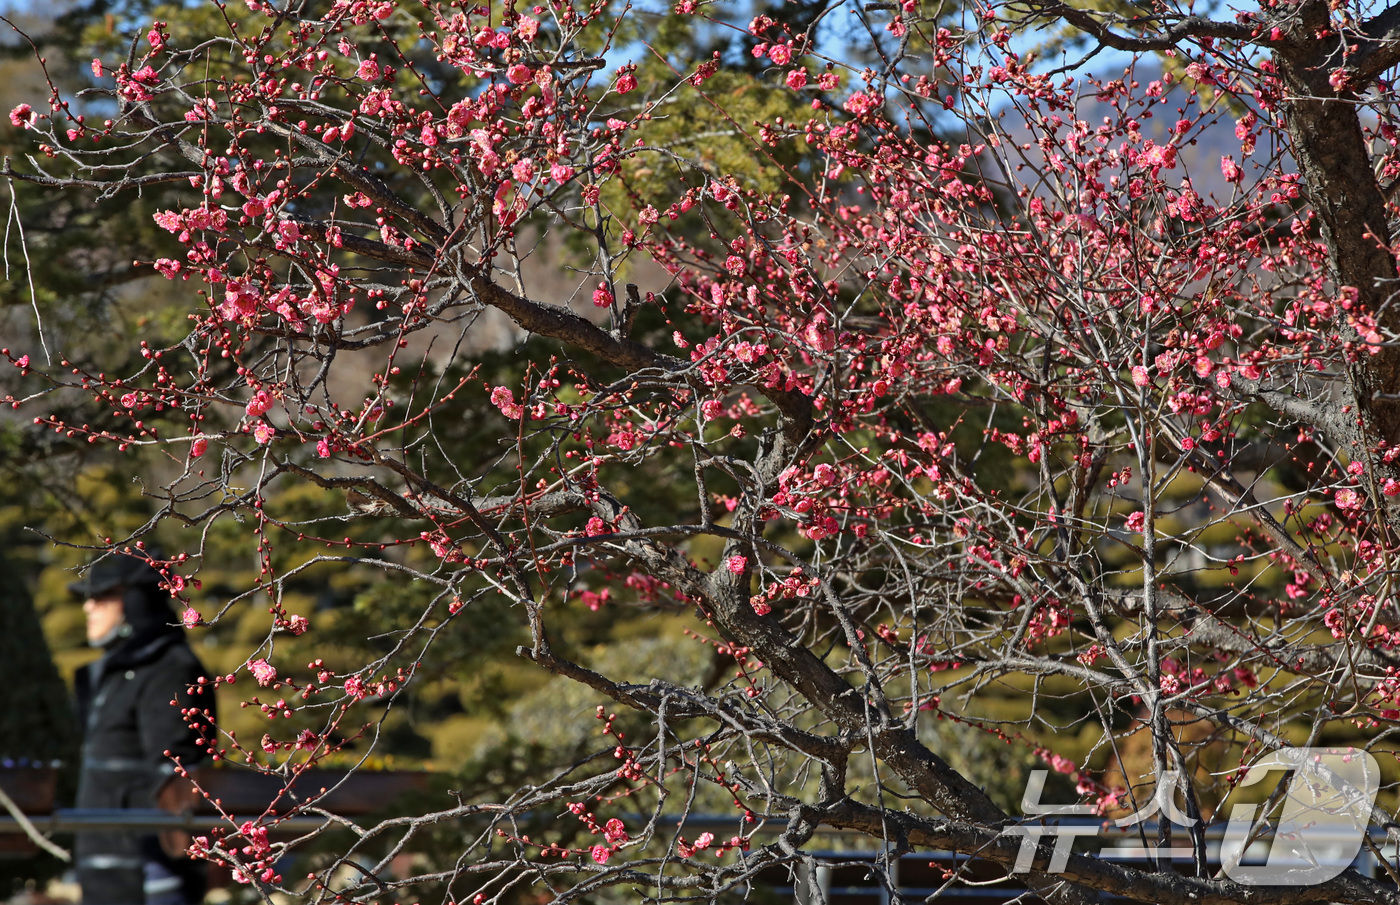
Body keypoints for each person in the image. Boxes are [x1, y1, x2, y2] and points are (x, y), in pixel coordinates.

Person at [71, 551, 213, 905]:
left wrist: (164, 883)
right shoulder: (108, 674)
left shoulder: (171, 670)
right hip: (103, 870)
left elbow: (175, 783)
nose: (89, 608)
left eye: (103, 596)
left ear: (135, 601)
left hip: (149, 878)